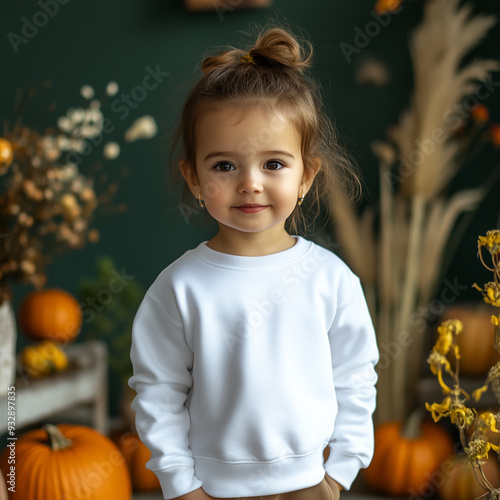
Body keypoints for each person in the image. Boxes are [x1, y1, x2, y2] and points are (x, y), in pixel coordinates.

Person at [129, 24, 379, 500]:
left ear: (306, 176)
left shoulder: (331, 280)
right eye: (224, 165)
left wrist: (339, 472)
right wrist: (181, 485)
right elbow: (158, 392)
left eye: (274, 164)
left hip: (310, 485)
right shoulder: (179, 287)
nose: (250, 183)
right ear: (195, 178)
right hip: (209, 490)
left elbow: (355, 378)